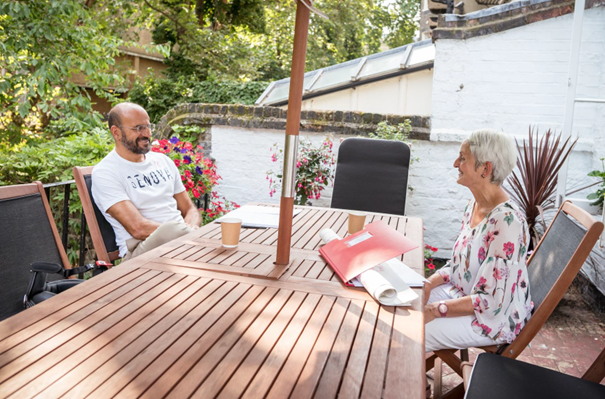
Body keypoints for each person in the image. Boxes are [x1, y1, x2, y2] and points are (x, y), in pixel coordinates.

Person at [424, 129, 533, 352]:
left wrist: (435, 309)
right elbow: (457, 266)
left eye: (463, 158)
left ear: (485, 168)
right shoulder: (474, 206)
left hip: (490, 321)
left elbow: (491, 302)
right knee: (401, 307)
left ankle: (401, 383)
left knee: (409, 332)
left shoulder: (507, 222)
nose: (456, 163)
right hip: (460, 295)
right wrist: (429, 283)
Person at [92, 102, 201, 261]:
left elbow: (190, 209)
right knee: (173, 229)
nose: (147, 134)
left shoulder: (163, 161)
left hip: (181, 241)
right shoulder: (106, 172)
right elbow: (138, 228)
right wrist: (183, 232)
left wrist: (188, 229)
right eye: (138, 128)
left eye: (148, 126)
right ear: (116, 133)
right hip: (139, 250)